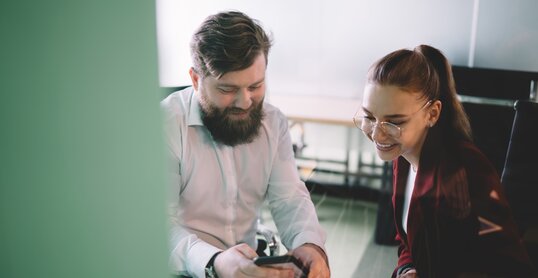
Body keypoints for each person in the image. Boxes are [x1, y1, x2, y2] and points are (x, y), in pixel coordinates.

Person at [161, 11, 330, 278]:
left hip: (249, 266)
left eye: (256, 86)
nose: (245, 102)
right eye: (227, 90)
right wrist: (214, 262)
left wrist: (309, 244)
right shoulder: (165, 125)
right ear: (195, 80)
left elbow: (288, 198)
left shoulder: (273, 123)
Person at [353, 45, 536, 277]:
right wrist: (408, 268)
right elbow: (410, 240)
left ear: (432, 114)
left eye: (394, 122)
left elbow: (506, 264)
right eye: (369, 117)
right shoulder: (403, 157)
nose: (377, 135)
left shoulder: (466, 169)